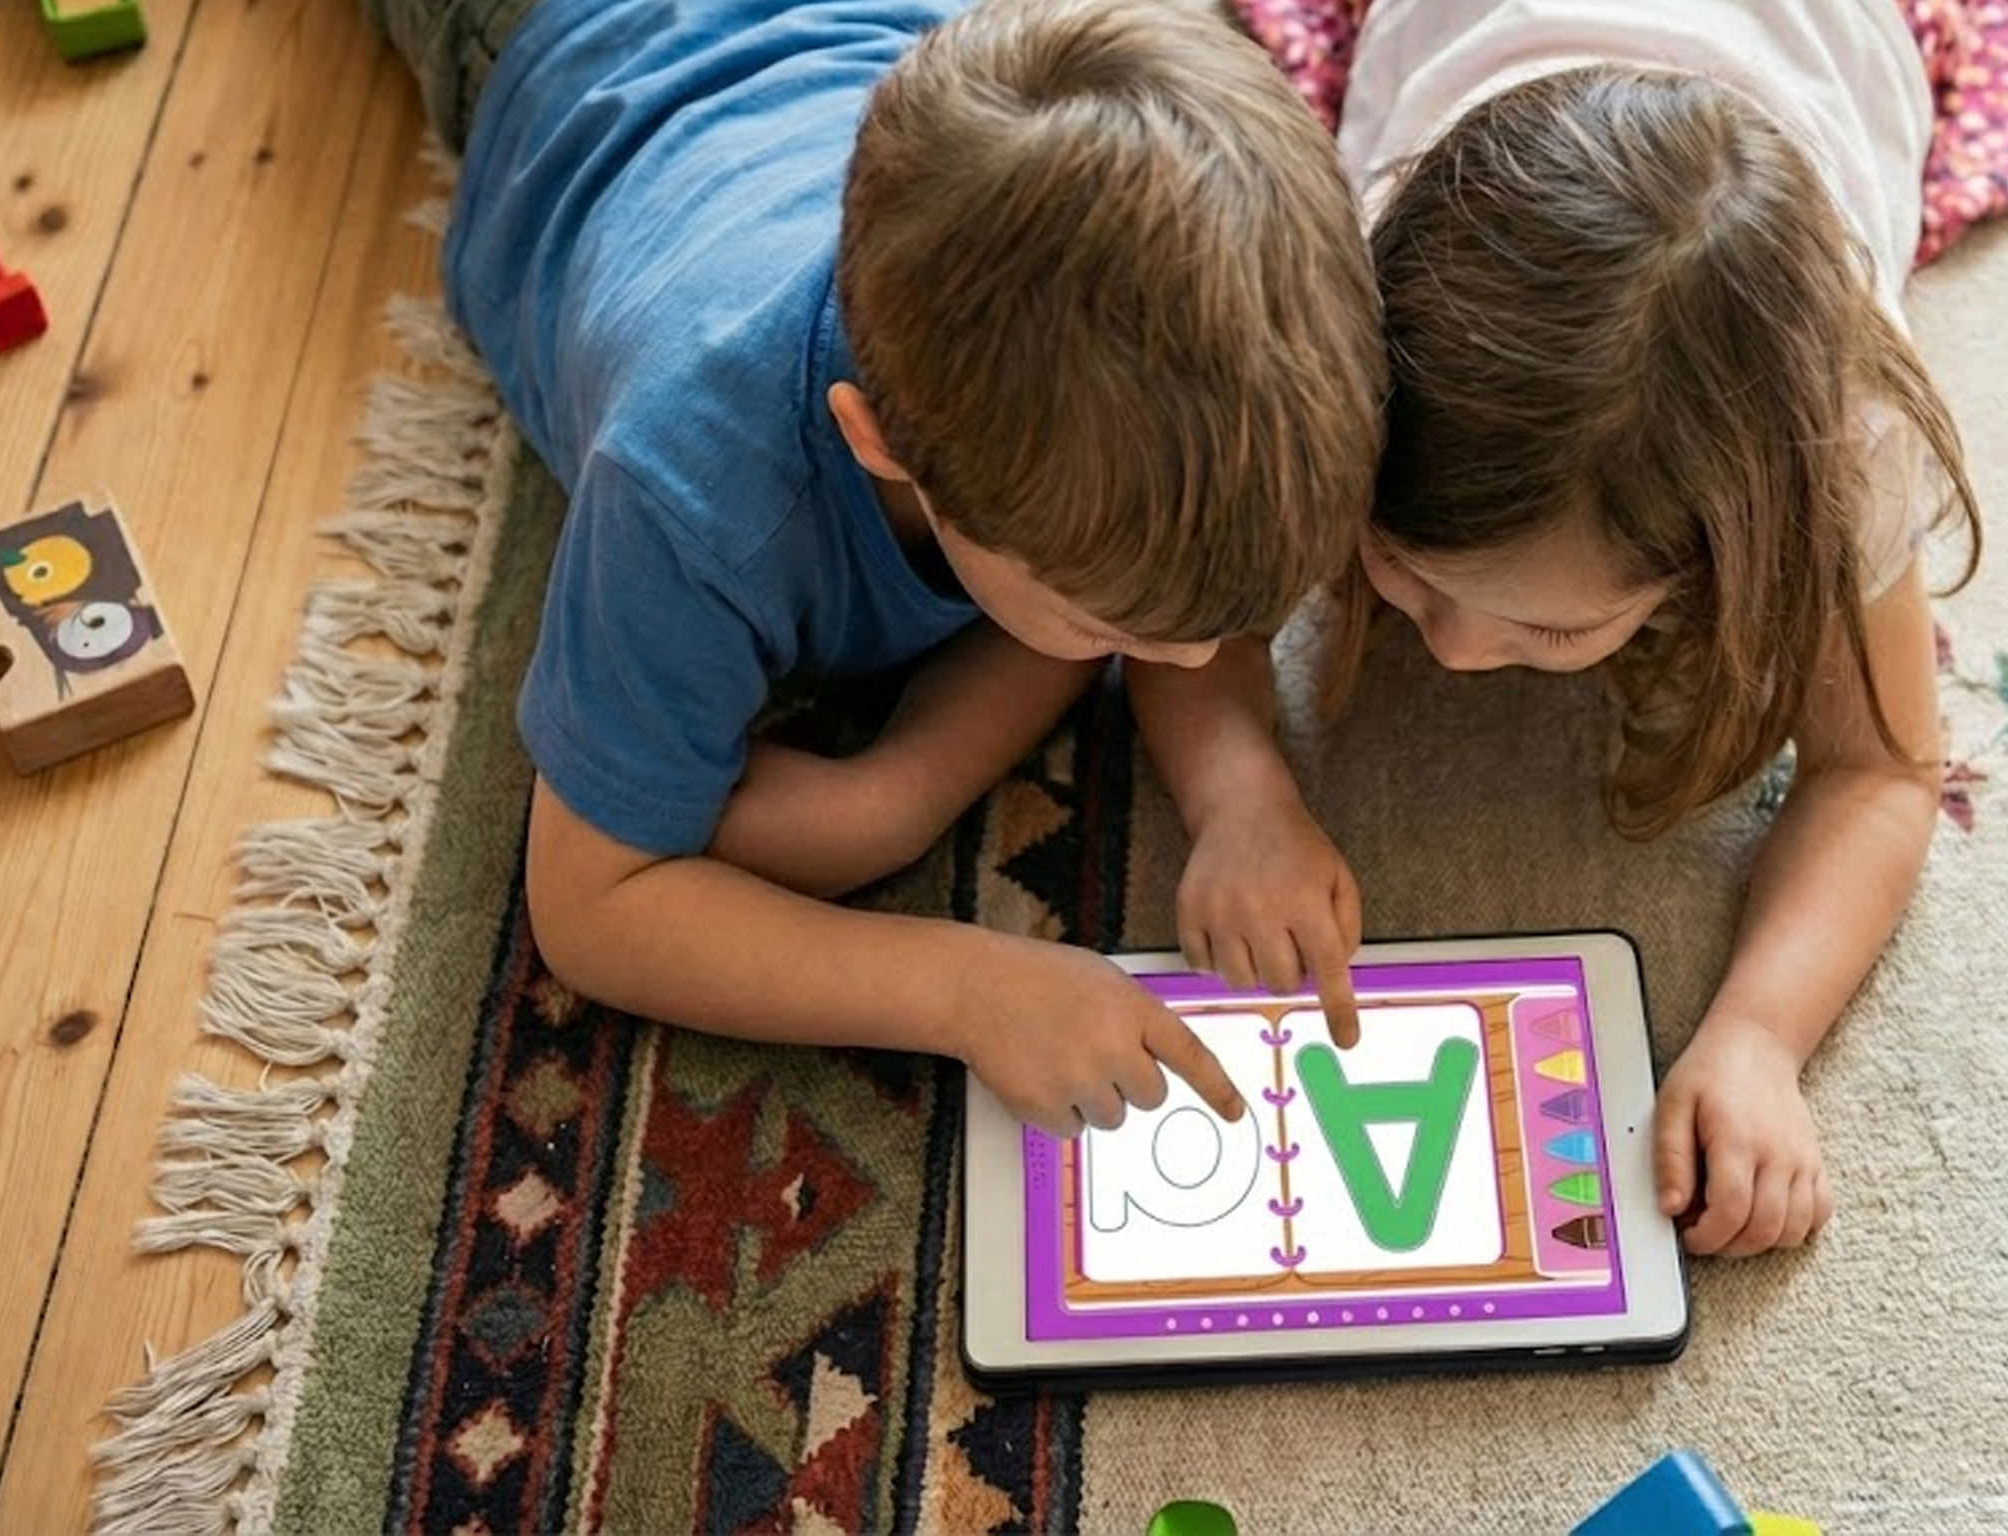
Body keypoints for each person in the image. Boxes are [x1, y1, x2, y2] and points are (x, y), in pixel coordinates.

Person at [355, 0, 1387, 1138]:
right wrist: (963, 986)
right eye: (1124, 628)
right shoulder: (687, 496)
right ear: (884, 446)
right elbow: (594, 899)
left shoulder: (1132, 341)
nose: (1184, 667)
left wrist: (1237, 791)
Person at [1312, 0, 2008, 1260]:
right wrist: (1231, 800)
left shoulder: (1839, 448)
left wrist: (1760, 1035)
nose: (1452, 651)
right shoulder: (1335, 306)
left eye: (1547, 636)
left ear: (1722, 566)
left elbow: (1879, 770)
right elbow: (1175, 579)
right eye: (1401, 566)